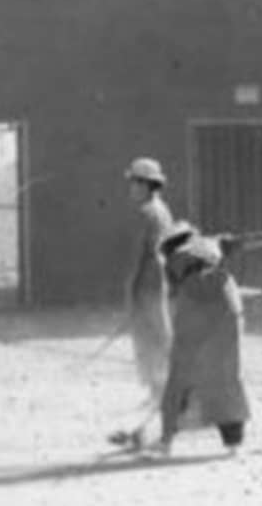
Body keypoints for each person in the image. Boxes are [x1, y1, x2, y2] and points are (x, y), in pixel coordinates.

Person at [152, 222, 262, 458]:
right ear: (191, 234)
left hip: (193, 306)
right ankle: (233, 443)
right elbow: (258, 237)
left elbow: (181, 294)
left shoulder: (172, 260)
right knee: (226, 371)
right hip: (225, 295)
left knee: (181, 373)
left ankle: (166, 442)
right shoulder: (214, 243)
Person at [108, 157, 176, 449]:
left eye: (134, 182)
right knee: (158, 363)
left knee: (154, 365)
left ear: (146, 184)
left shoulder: (146, 213)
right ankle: (143, 431)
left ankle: (156, 432)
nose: (130, 188)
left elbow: (136, 260)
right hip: (160, 291)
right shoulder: (163, 211)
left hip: (147, 293)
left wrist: (128, 299)